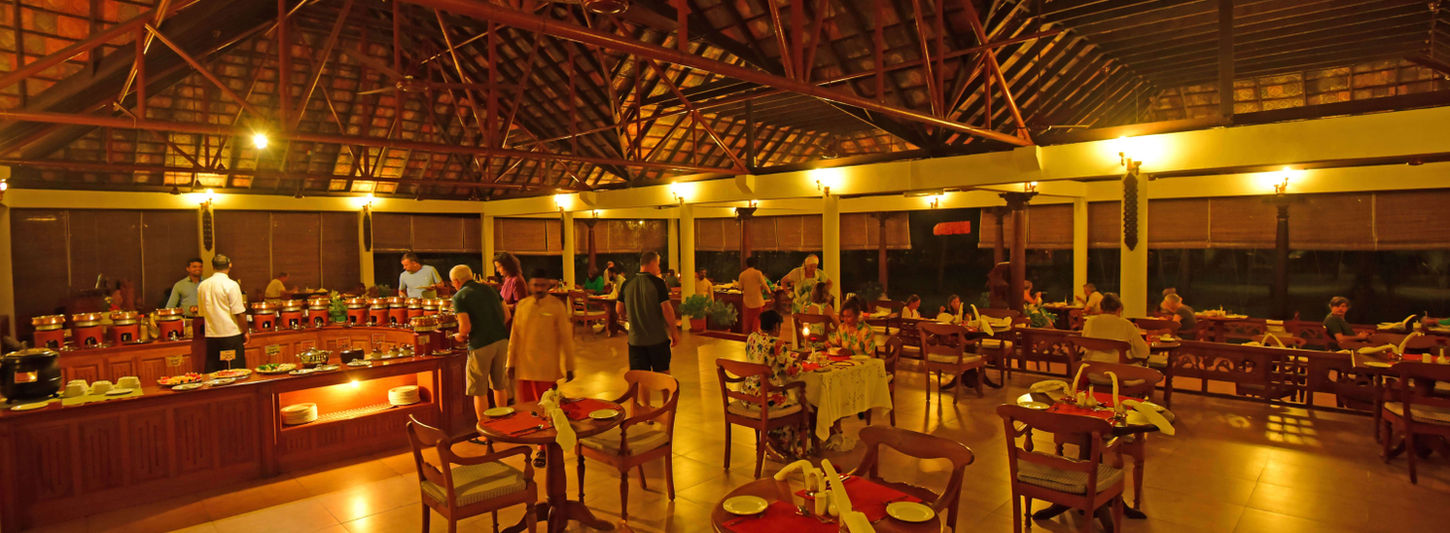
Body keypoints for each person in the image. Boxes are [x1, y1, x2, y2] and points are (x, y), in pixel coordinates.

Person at [506, 268, 575, 468]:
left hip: (547, 368)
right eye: (535, 285)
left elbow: (566, 339)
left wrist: (570, 366)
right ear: (529, 285)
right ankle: (534, 441)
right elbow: (515, 337)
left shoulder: (556, 306)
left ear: (548, 285)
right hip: (524, 368)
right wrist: (510, 363)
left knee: (548, 408)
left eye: (542, 285)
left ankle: (544, 449)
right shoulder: (523, 305)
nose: (538, 289)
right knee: (528, 410)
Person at [450, 264, 511, 420]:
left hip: (481, 344)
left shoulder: (460, 297)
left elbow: (465, 327)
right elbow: (507, 315)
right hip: (502, 340)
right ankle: (503, 425)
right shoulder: (490, 289)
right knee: (499, 384)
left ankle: (485, 432)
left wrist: (459, 336)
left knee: (479, 390)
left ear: (456, 281)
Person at [743, 309, 806, 457]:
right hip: (767, 395)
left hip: (749, 393)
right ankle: (786, 445)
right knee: (800, 404)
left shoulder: (751, 337)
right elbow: (791, 370)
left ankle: (772, 440)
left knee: (786, 396)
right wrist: (800, 362)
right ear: (776, 326)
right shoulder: (776, 343)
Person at [618, 251, 680, 372]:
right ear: (652, 263)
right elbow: (667, 309)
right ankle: (667, 392)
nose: (659, 268)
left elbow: (618, 309)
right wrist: (674, 331)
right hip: (657, 340)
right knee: (663, 376)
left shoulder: (627, 283)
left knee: (642, 380)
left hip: (635, 342)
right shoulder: (658, 283)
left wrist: (631, 315)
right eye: (658, 264)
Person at [197, 254, 249, 372]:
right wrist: (245, 331)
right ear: (230, 265)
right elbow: (239, 312)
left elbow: (201, 313)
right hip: (231, 334)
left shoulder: (202, 286)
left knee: (214, 371)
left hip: (211, 335)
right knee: (236, 370)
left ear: (213, 266)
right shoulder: (231, 285)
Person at [1082, 292, 1150, 363]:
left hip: (1090, 367)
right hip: (1117, 370)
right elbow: (1143, 352)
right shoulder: (1126, 324)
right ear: (1119, 309)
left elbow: (1083, 345)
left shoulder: (1090, 322)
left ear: (1101, 308)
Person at [738, 256, 770, 334]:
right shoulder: (758, 273)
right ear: (754, 264)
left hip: (747, 302)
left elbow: (740, 288)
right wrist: (769, 291)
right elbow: (764, 284)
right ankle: (755, 338)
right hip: (757, 301)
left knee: (747, 322)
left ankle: (746, 338)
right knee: (757, 321)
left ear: (746, 264)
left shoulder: (742, 274)